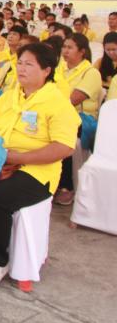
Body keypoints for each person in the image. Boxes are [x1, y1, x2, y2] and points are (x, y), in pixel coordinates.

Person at [0, 42, 80, 290]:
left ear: (46, 70)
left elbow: (64, 147)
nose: (21, 68)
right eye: (19, 63)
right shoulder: (9, 96)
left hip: (36, 172)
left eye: (29, 64)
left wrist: (16, 159)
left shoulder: (57, 102)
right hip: (0, 163)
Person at [55, 33, 102, 205]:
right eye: (64, 47)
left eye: (70, 47)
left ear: (82, 51)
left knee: (63, 135)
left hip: (82, 118)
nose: (65, 51)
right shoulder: (59, 69)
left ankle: (66, 185)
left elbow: (72, 100)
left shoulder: (91, 73)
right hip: (56, 114)